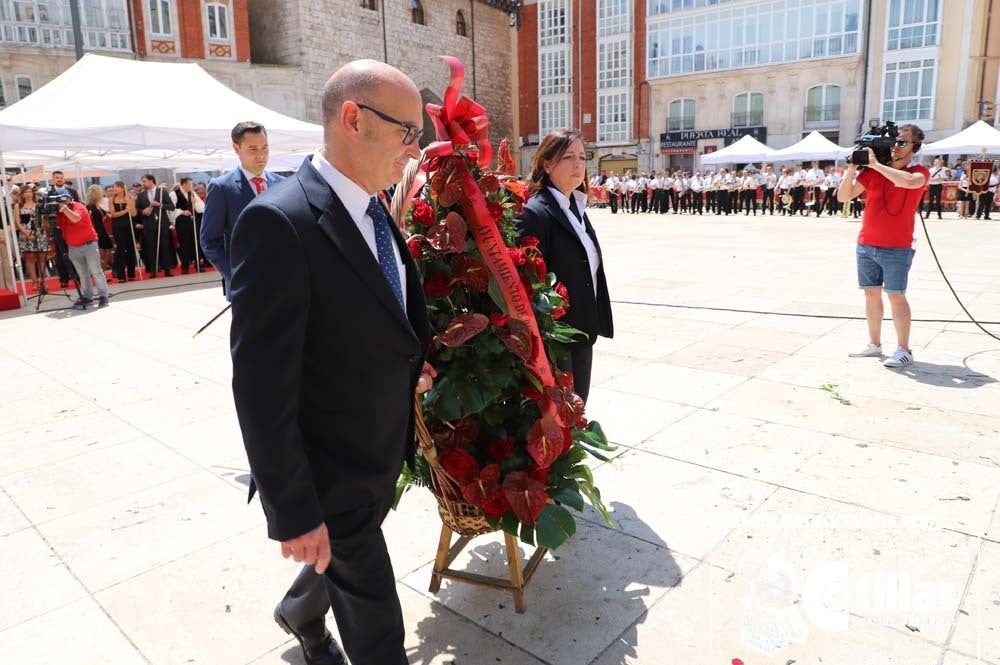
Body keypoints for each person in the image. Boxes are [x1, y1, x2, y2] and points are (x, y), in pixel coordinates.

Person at [229, 60, 435, 665]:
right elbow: (261, 389)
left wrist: (411, 364)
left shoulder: (372, 208)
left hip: (376, 456)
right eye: (407, 132)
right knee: (379, 632)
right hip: (329, 476)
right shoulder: (278, 222)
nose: (413, 149)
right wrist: (294, 513)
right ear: (353, 119)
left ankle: (299, 611)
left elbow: (378, 316)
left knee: (342, 565)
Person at [514, 130, 614, 403]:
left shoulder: (576, 208)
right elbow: (527, 284)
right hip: (555, 340)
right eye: (568, 157)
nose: (578, 164)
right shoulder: (535, 212)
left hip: (581, 330)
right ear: (546, 164)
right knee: (560, 417)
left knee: (577, 411)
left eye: (582, 157)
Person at [838, 123, 929, 368]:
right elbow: (843, 196)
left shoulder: (919, 171)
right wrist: (852, 168)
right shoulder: (872, 173)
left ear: (915, 147)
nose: (896, 147)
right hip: (867, 243)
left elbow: (910, 182)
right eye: (895, 142)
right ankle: (874, 344)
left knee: (896, 296)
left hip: (897, 246)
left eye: (903, 143)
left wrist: (878, 165)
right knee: (871, 294)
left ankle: (904, 349)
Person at [201, 121, 283, 299]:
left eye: (265, 148)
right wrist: (237, 276)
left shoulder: (282, 184)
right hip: (247, 289)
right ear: (236, 148)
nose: (261, 155)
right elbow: (209, 241)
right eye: (253, 149)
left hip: (285, 284)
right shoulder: (222, 188)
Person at [55, 194, 109, 308]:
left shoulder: (79, 206)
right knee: (82, 274)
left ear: (70, 199)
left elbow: (75, 218)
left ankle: (103, 296)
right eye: (59, 200)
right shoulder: (59, 212)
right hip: (73, 246)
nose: (62, 201)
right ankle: (87, 297)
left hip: (88, 244)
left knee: (96, 271)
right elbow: (57, 226)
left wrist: (64, 208)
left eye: (64, 199)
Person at [135, 174, 176, 277]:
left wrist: (160, 205)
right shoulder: (141, 195)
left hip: (162, 222)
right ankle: (153, 270)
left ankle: (167, 269)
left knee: (165, 246)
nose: (143, 183)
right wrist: (143, 211)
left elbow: (171, 206)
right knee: (151, 247)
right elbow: (137, 209)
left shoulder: (162, 192)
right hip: (148, 224)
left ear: (151, 181)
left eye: (144, 181)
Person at [13, 187, 49, 294]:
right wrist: (26, 233)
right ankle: (34, 281)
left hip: (39, 232)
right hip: (26, 233)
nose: (28, 194)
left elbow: (44, 219)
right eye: (25, 192)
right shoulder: (18, 206)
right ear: (22, 194)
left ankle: (43, 281)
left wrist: (41, 229)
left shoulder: (38, 204)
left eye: (30, 192)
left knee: (42, 257)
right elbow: (17, 222)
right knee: (30, 258)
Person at [107, 181, 138, 282]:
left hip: (129, 226)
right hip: (118, 227)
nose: (114, 189)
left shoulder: (130, 198)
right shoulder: (111, 200)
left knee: (131, 249)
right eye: (114, 187)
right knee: (120, 250)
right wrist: (125, 210)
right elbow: (113, 214)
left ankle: (131, 274)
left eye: (116, 187)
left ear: (122, 188)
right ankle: (121, 275)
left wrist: (131, 204)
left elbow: (133, 214)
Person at [173, 177, 203, 274]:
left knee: (196, 242)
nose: (191, 186)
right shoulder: (174, 193)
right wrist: (181, 211)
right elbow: (171, 209)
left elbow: (201, 207)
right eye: (190, 184)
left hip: (193, 220)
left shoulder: (192, 193)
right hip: (181, 221)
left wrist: (194, 203)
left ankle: (198, 264)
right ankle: (185, 266)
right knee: (184, 243)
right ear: (184, 184)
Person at [85, 184, 114, 270]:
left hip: (100, 230)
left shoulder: (95, 205)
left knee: (106, 250)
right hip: (97, 231)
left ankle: (102, 271)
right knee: (102, 251)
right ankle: (100, 272)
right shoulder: (91, 206)